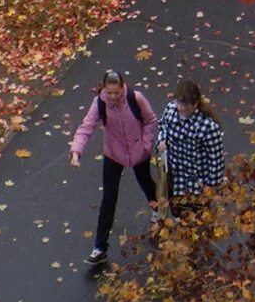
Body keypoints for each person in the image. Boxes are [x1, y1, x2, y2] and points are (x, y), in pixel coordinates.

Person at [69, 69, 159, 264]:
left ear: (122, 87)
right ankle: (100, 248)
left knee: (146, 184)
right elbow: (87, 127)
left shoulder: (135, 98)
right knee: (108, 200)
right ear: (104, 89)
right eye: (109, 93)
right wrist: (77, 151)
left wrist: (145, 145)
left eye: (116, 92)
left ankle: (158, 211)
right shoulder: (100, 103)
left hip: (138, 152)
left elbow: (150, 121)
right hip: (113, 154)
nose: (113, 96)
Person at [156, 79, 224, 217]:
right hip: (175, 177)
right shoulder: (170, 110)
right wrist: (161, 140)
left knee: (197, 219)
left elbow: (216, 160)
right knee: (177, 213)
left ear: (195, 104)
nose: (180, 107)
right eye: (178, 102)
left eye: (185, 104)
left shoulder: (207, 127)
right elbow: (162, 125)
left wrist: (211, 187)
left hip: (196, 183)